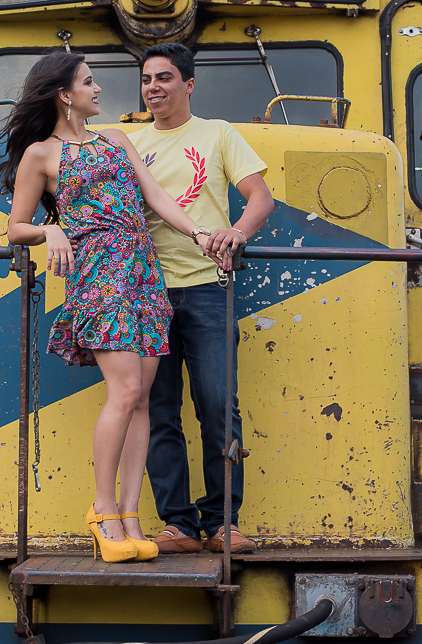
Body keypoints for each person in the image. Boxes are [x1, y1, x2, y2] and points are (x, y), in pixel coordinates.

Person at [0, 50, 217, 564]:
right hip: (99, 276)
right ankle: (102, 512)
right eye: (89, 83)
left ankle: (131, 514)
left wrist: (199, 233)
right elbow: (15, 227)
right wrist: (51, 227)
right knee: (125, 391)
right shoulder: (40, 155)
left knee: (142, 398)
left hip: (143, 273)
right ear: (64, 94)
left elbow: (157, 197)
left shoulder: (116, 139)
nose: (99, 91)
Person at [128, 42, 275, 554]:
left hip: (209, 289)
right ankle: (179, 526)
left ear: (188, 84)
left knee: (217, 406)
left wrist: (237, 232)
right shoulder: (130, 144)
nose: (154, 87)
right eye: (147, 79)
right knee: (155, 408)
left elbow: (261, 197)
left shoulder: (218, 134)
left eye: (165, 78)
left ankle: (222, 522)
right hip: (145, 296)